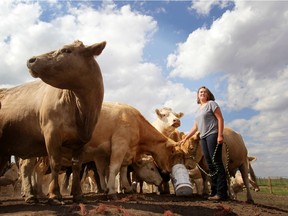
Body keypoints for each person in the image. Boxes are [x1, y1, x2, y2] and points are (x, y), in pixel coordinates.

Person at [179, 86, 228, 201]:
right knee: (210, 164)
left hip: (213, 134)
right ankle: (214, 192)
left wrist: (220, 135)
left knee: (216, 162)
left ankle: (222, 193)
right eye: (200, 92)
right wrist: (185, 138)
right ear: (198, 95)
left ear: (208, 95)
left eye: (205, 92)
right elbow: (195, 127)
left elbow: (220, 119)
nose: (202, 93)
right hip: (203, 137)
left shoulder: (212, 104)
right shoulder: (199, 110)